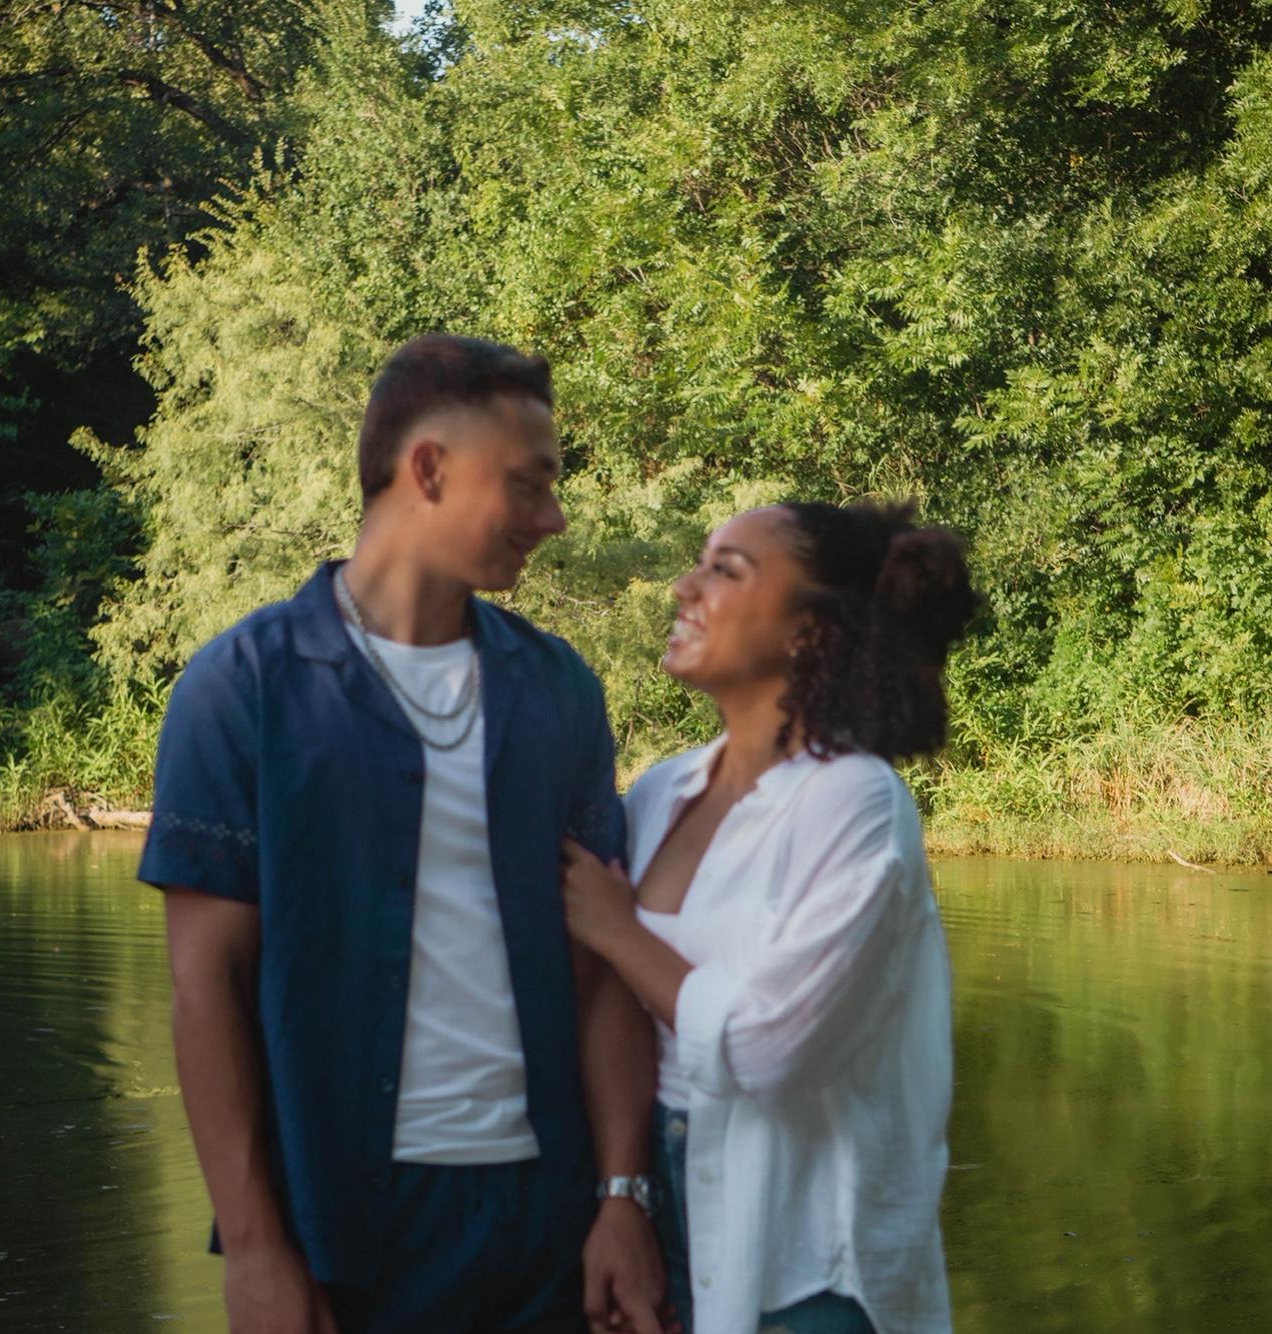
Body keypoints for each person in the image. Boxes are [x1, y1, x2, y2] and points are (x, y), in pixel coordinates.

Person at [139, 334, 664, 1334]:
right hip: (345, 1232)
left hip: (545, 1230)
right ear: (427, 468)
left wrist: (621, 1196)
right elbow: (205, 984)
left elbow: (600, 975)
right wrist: (253, 1246)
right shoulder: (242, 687)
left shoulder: (558, 692)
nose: (552, 517)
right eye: (528, 483)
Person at [560, 501, 977, 1334]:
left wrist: (616, 930)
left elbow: (768, 1047)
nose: (684, 586)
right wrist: (621, 1197)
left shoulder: (853, 800)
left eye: (725, 570)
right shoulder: (658, 794)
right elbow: (611, 1011)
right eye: (699, 561)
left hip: (810, 1264)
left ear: (810, 633)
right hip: (664, 1224)